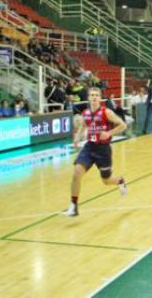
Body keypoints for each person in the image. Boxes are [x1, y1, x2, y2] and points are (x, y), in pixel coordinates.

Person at [63, 87, 128, 217]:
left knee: (106, 180)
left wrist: (109, 133)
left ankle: (120, 181)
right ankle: (74, 205)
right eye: (91, 95)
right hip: (89, 147)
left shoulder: (106, 112)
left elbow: (123, 125)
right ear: (88, 98)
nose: (94, 97)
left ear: (100, 98)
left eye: (96, 95)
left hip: (103, 150)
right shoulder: (85, 113)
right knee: (76, 173)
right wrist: (76, 138)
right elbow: (83, 126)